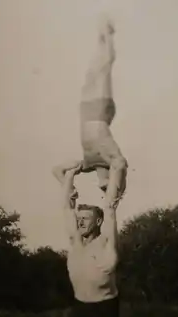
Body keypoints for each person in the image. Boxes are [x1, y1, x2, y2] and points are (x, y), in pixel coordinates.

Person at [53, 13, 127, 208]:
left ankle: (105, 35)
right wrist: (112, 200)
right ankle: (105, 35)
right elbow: (58, 170)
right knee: (100, 69)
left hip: (94, 117)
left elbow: (119, 165)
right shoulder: (90, 161)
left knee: (100, 69)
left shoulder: (92, 161)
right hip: (92, 118)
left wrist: (69, 188)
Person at [58, 164, 121, 317]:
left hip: (105, 309)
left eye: (86, 218)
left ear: (98, 222)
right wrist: (71, 173)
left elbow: (109, 207)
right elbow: (66, 207)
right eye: (79, 219)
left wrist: (113, 171)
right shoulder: (76, 242)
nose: (81, 222)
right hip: (79, 308)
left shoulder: (106, 241)